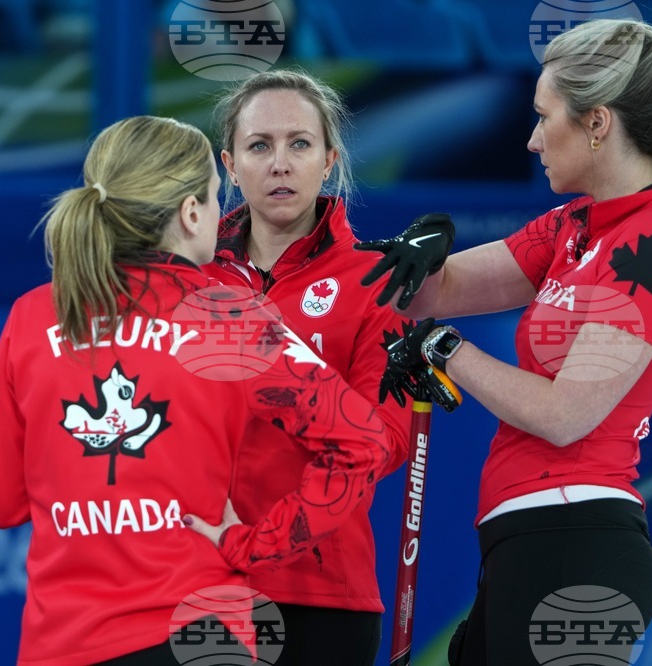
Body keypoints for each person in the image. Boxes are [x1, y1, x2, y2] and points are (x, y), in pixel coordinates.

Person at [0, 115, 401, 666]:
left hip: (63, 643)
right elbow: (365, 443)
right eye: (218, 198)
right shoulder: (229, 318)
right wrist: (255, 542)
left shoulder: (33, 315)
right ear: (192, 213)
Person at [358, 19, 652, 665]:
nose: (530, 141)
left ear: (597, 122)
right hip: (529, 537)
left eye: (543, 117)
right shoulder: (574, 226)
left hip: (575, 539)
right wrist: (412, 257)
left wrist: (444, 351)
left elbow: (565, 416)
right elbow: (431, 295)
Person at [203, 68, 413, 665]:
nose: (279, 163)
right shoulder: (190, 279)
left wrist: (285, 388)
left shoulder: (374, 282)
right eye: (259, 146)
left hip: (324, 589)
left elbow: (389, 440)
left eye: (299, 144)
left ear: (329, 160)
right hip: (202, 580)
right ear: (229, 163)